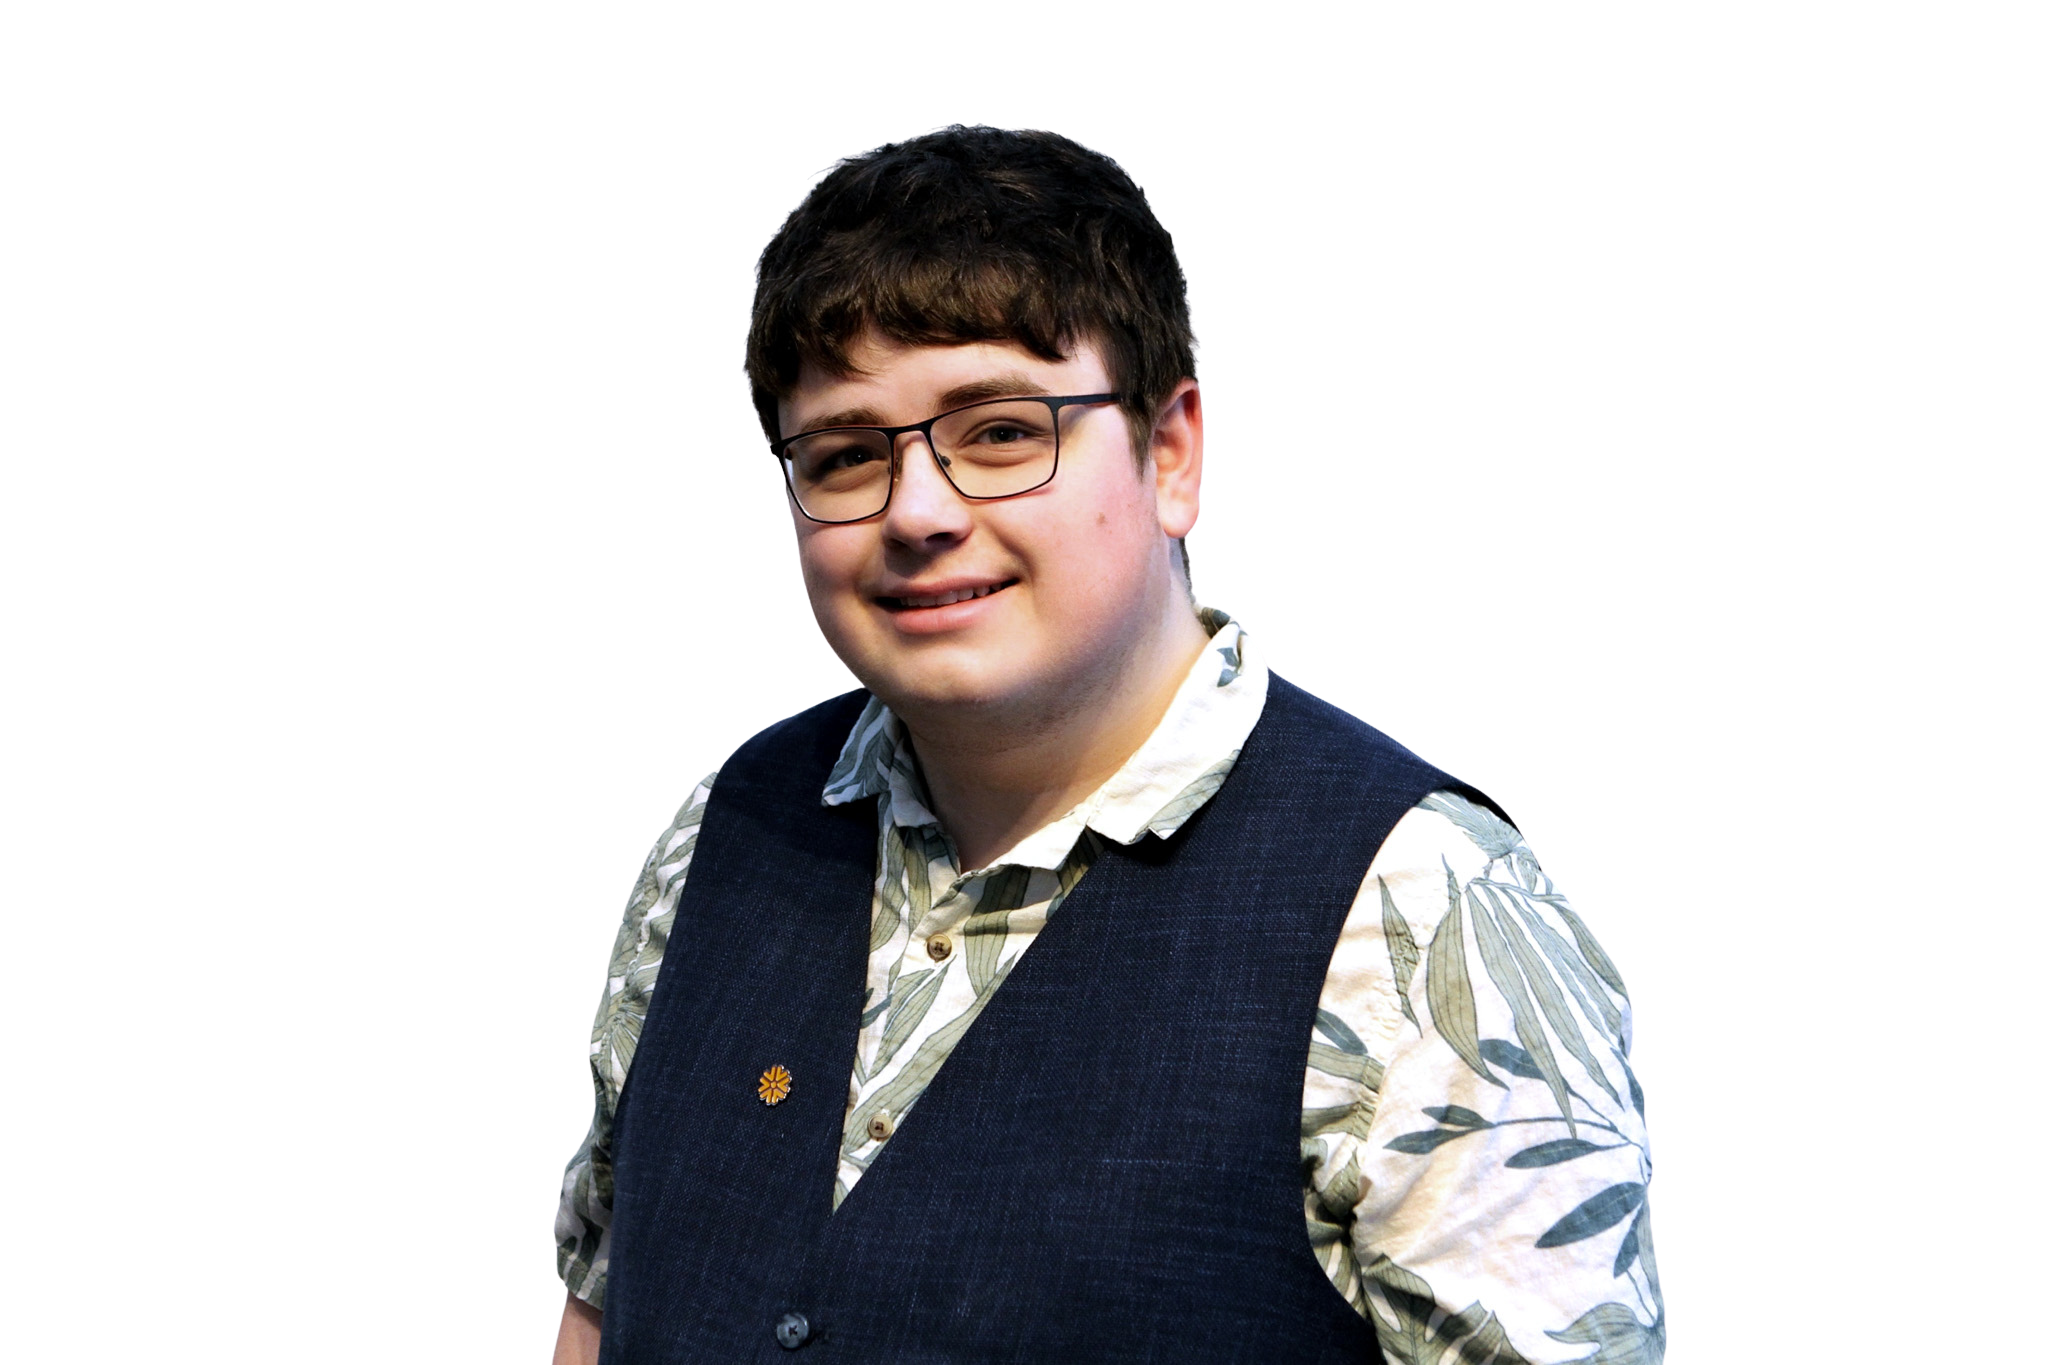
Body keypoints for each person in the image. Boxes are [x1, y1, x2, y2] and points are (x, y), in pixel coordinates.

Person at [552, 127, 1664, 1363]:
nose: (917, 512)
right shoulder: (725, 834)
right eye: (847, 454)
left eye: (1000, 432)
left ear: (1170, 453)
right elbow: (604, 1301)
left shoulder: (1422, 910)